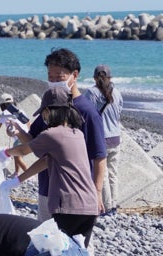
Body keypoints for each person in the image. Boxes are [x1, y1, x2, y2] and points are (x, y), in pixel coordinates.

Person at [0, 86, 102, 256]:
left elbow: (26, 149)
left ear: (51, 112)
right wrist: (17, 181)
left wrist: (2, 153)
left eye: (44, 112)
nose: (42, 117)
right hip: (87, 206)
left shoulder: (53, 134)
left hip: (68, 206)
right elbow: (45, 161)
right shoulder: (75, 133)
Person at [23, 48, 107, 222]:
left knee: (76, 246)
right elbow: (34, 143)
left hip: (76, 195)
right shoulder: (50, 106)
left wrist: (97, 192)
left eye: (59, 77)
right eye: (50, 77)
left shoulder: (87, 112)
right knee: (46, 243)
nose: (53, 82)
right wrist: (18, 130)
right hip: (47, 189)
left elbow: (99, 156)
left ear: (74, 75)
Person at [83, 64, 123, 216]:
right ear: (110, 77)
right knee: (113, 173)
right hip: (116, 137)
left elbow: (86, 114)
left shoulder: (91, 93)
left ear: (94, 77)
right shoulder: (117, 93)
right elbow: (119, 112)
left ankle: (106, 207)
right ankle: (114, 205)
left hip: (101, 137)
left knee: (102, 174)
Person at [0, 93, 30, 176]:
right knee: (16, 154)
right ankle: (16, 173)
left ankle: (28, 173)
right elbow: (28, 122)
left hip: (19, 137)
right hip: (27, 136)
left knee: (16, 154)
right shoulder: (20, 111)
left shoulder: (4, 115)